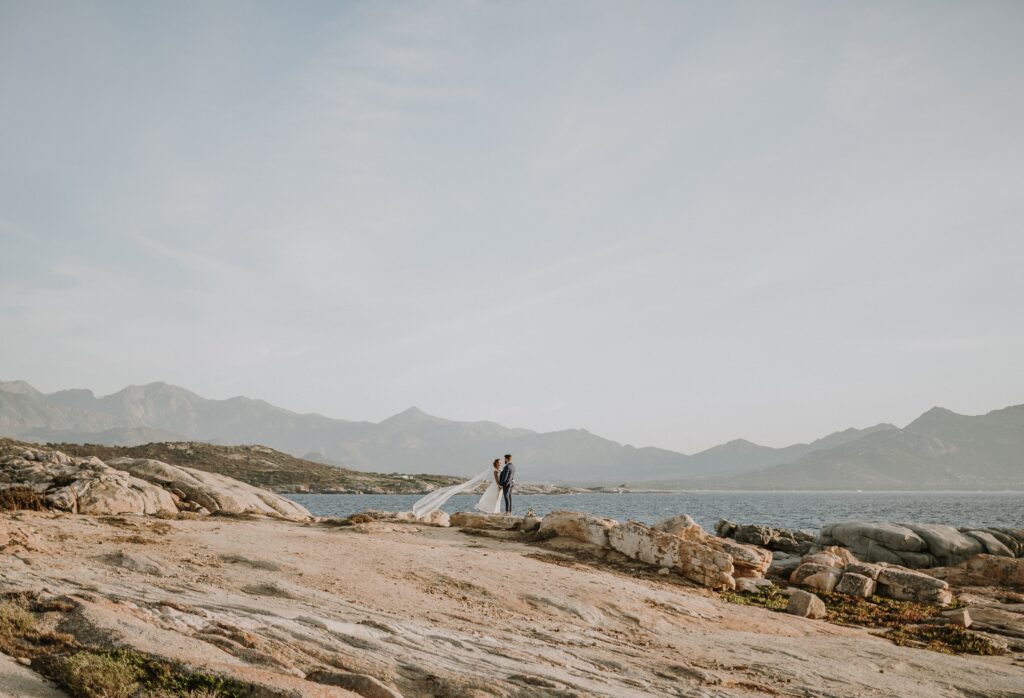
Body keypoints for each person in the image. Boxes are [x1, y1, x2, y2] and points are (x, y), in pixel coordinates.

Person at [411, 458, 503, 519]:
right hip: (495, 486)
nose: (500, 464)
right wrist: (499, 485)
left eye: (500, 463)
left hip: (498, 486)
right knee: (494, 498)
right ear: (496, 464)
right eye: (499, 463)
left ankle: (495, 511)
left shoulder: (499, 470)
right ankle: (494, 511)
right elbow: (496, 479)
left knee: (496, 499)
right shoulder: (495, 471)